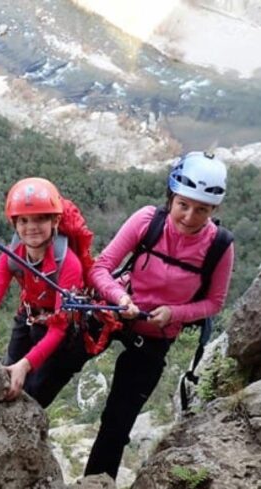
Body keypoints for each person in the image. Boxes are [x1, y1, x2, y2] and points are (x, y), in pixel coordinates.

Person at [85, 151, 235, 479]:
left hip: (156, 335)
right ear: (171, 197)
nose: (189, 216)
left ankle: (95, 483)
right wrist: (119, 296)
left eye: (202, 210)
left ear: (214, 210)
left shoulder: (219, 245)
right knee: (56, 363)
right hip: (115, 312)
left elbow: (215, 302)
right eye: (183, 205)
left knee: (118, 422)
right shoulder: (147, 221)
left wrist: (174, 313)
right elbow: (101, 268)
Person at [0, 177, 83, 406]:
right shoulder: (13, 255)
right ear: (14, 224)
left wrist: (25, 365)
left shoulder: (68, 263)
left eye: (40, 218)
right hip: (27, 319)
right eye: (23, 220)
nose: (31, 227)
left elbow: (59, 328)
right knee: (7, 382)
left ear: (55, 221)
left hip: (58, 334)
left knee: (33, 396)